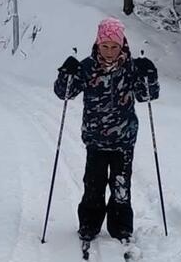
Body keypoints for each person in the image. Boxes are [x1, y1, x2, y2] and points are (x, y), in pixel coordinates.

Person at [53, 17, 159, 243]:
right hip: (95, 140)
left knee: (121, 186)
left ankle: (121, 227)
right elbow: (65, 93)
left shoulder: (130, 69)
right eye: (105, 46)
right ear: (97, 44)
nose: (109, 51)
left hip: (124, 140)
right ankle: (89, 225)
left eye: (114, 47)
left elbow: (146, 95)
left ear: (122, 45)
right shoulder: (87, 68)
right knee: (94, 185)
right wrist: (66, 74)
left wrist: (149, 75)